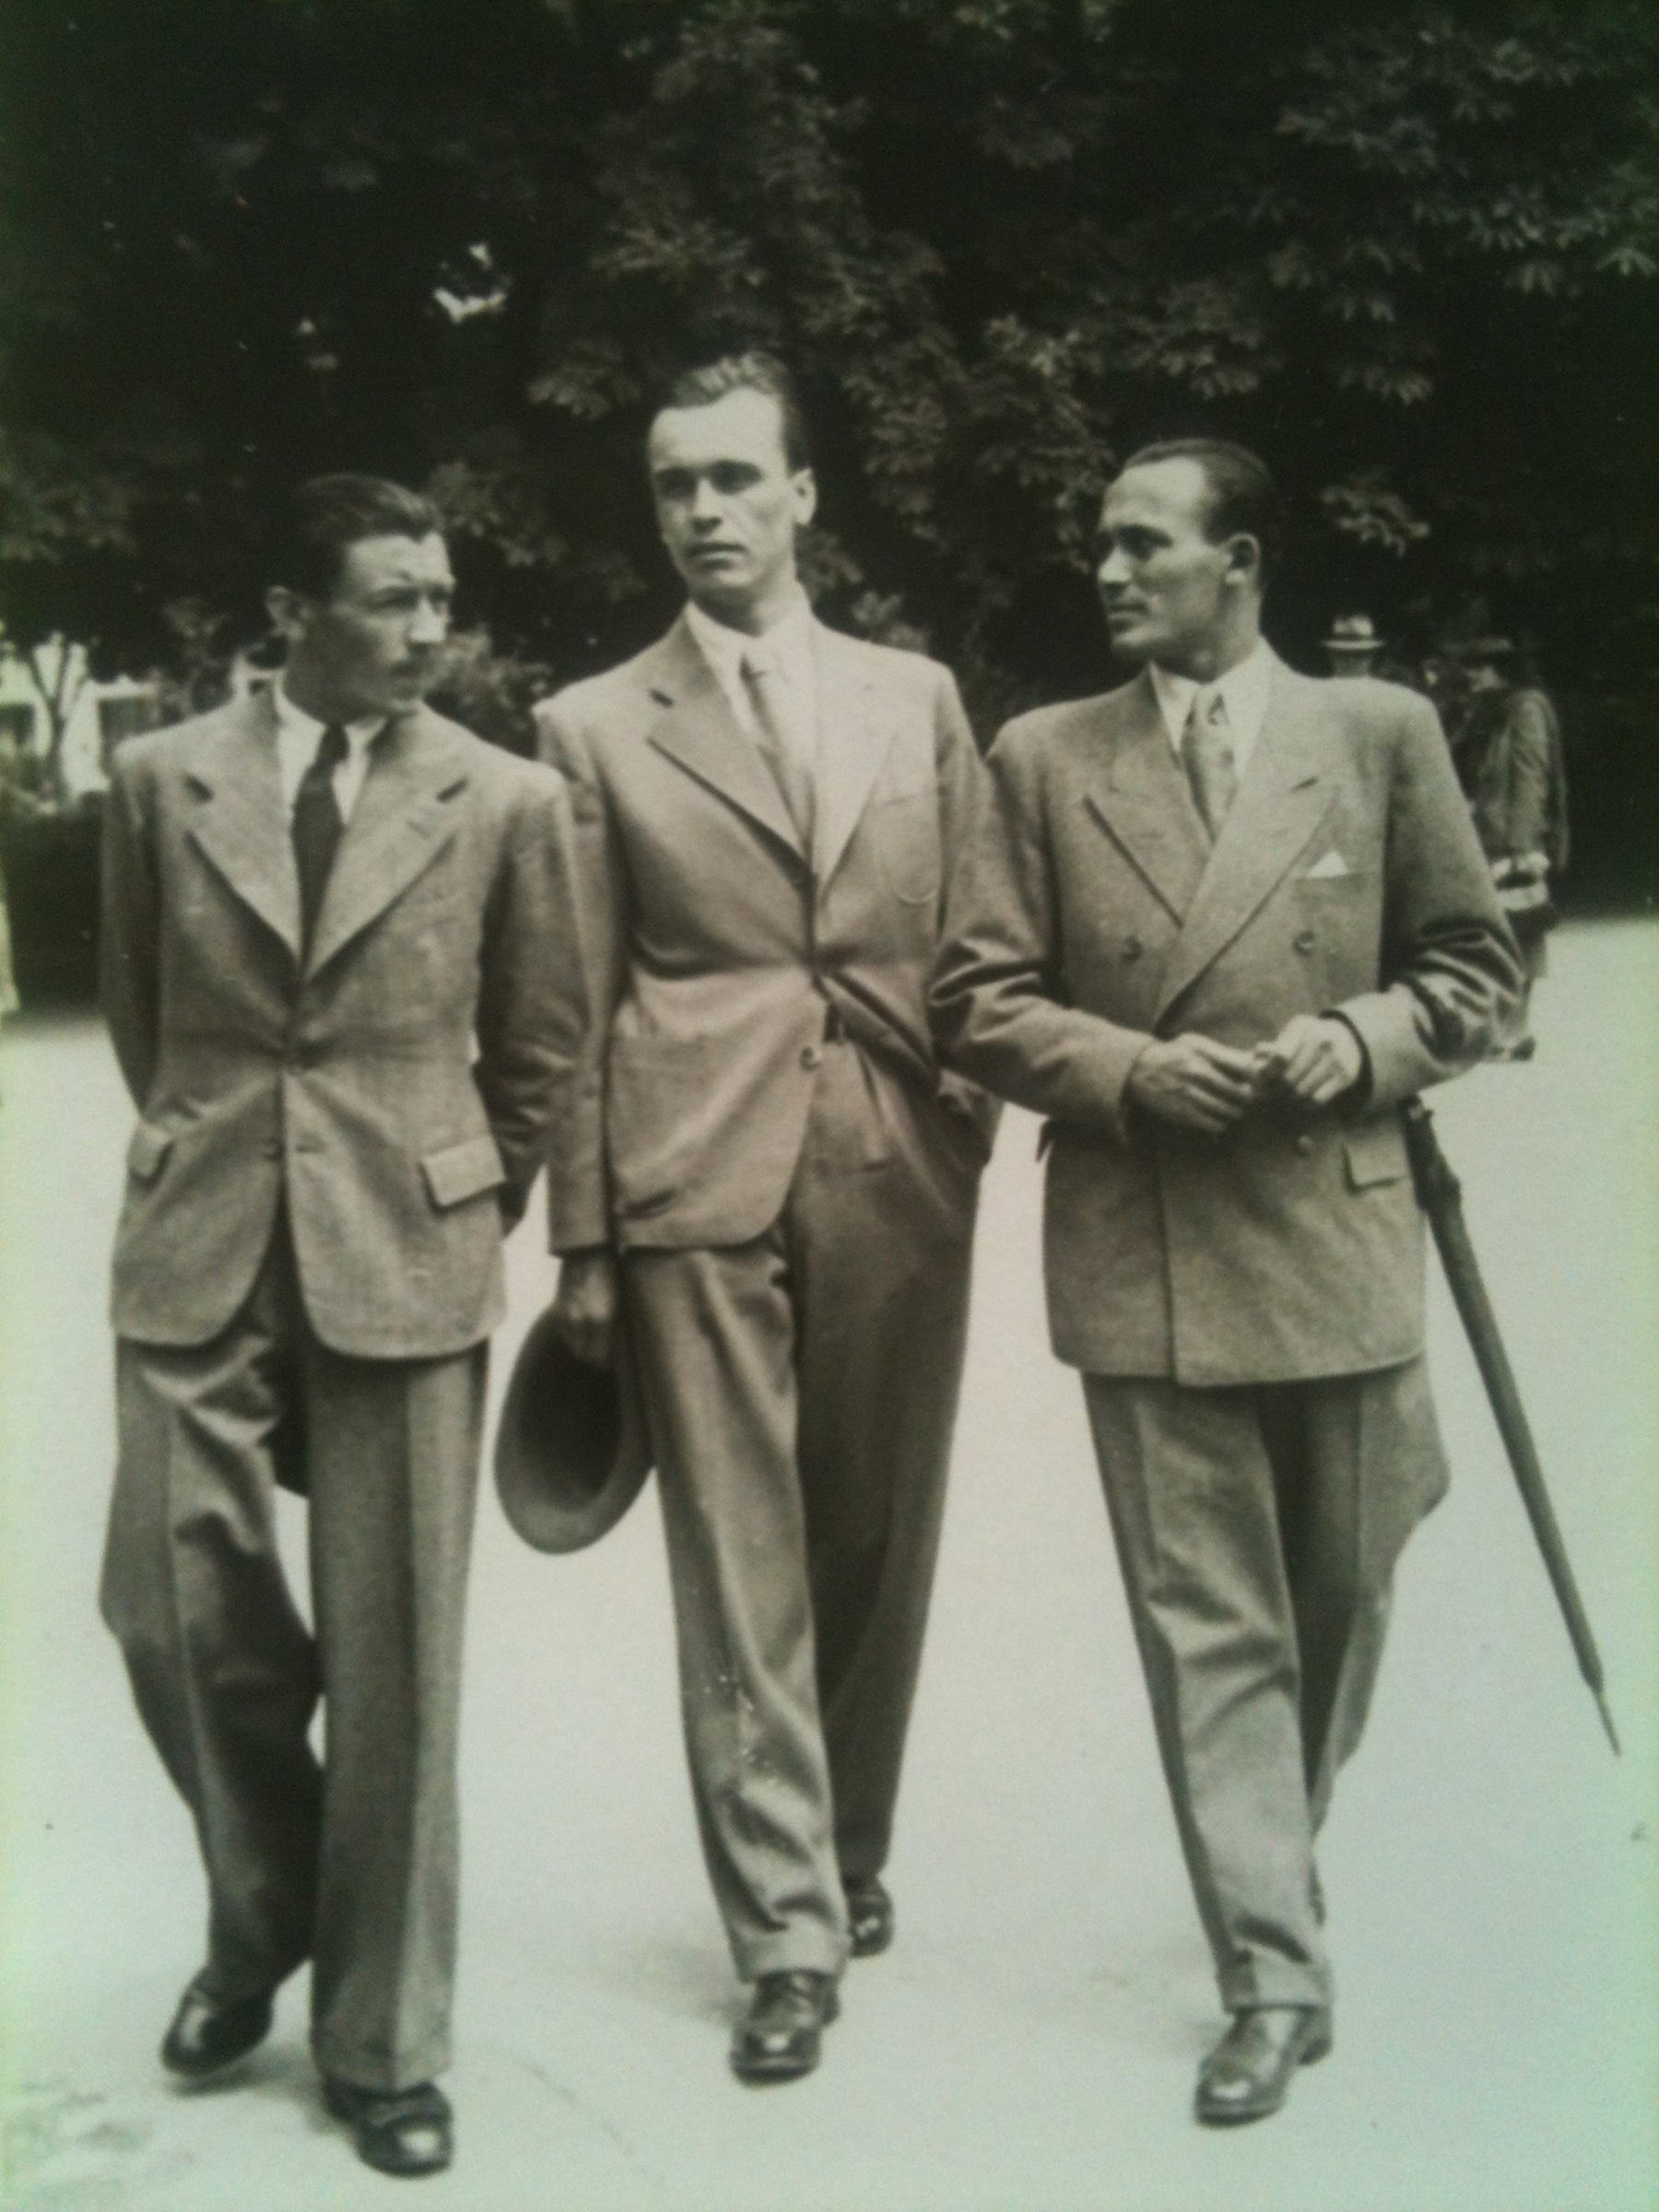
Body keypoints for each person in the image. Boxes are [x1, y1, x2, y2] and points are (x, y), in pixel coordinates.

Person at [932, 438, 1520, 2126]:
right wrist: (1127, 1069)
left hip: (1338, 1229)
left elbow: (1474, 967)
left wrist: (1367, 1035)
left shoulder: (1379, 732)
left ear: (1240, 560)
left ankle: (1270, 1848)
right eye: (1102, 546)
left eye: (1144, 544)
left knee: (1345, 1586)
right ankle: (1268, 1968)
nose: (1109, 573)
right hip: (1150, 1247)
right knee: (1214, 1633)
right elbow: (973, 998)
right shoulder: (1045, 756)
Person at [98, 474, 589, 2179]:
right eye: (393, 597)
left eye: (441, 597)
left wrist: (462, 1192)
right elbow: (144, 1014)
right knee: (168, 1604)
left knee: (398, 1660)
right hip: (204, 1230)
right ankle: (267, 1915)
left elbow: (541, 1045)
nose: (430, 629)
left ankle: (384, 2043)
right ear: (292, 613)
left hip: (408, 1237)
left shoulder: (508, 796)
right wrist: (222, 1152)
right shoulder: (161, 779)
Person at [536, 352, 995, 2085]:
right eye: (676, 484)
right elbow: (576, 999)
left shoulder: (915, 696)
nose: (704, 510)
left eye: (736, 476)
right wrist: (586, 1240)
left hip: (893, 1156)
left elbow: (978, 937)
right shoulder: (592, 725)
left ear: (805, 494)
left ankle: (846, 1846)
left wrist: (962, 1120)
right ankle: (785, 1932)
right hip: (690, 1174)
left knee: (873, 1533)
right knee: (738, 1561)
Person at [1446, 637, 1570, 1060]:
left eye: (1481, 667)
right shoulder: (1490, 709)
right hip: (1490, 838)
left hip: (1513, 843)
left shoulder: (1526, 708)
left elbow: (1531, 775)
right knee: (1501, 933)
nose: (1472, 675)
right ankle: (1505, 1031)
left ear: (1503, 670)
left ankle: (1517, 1033)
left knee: (1522, 931)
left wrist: (1523, 847)